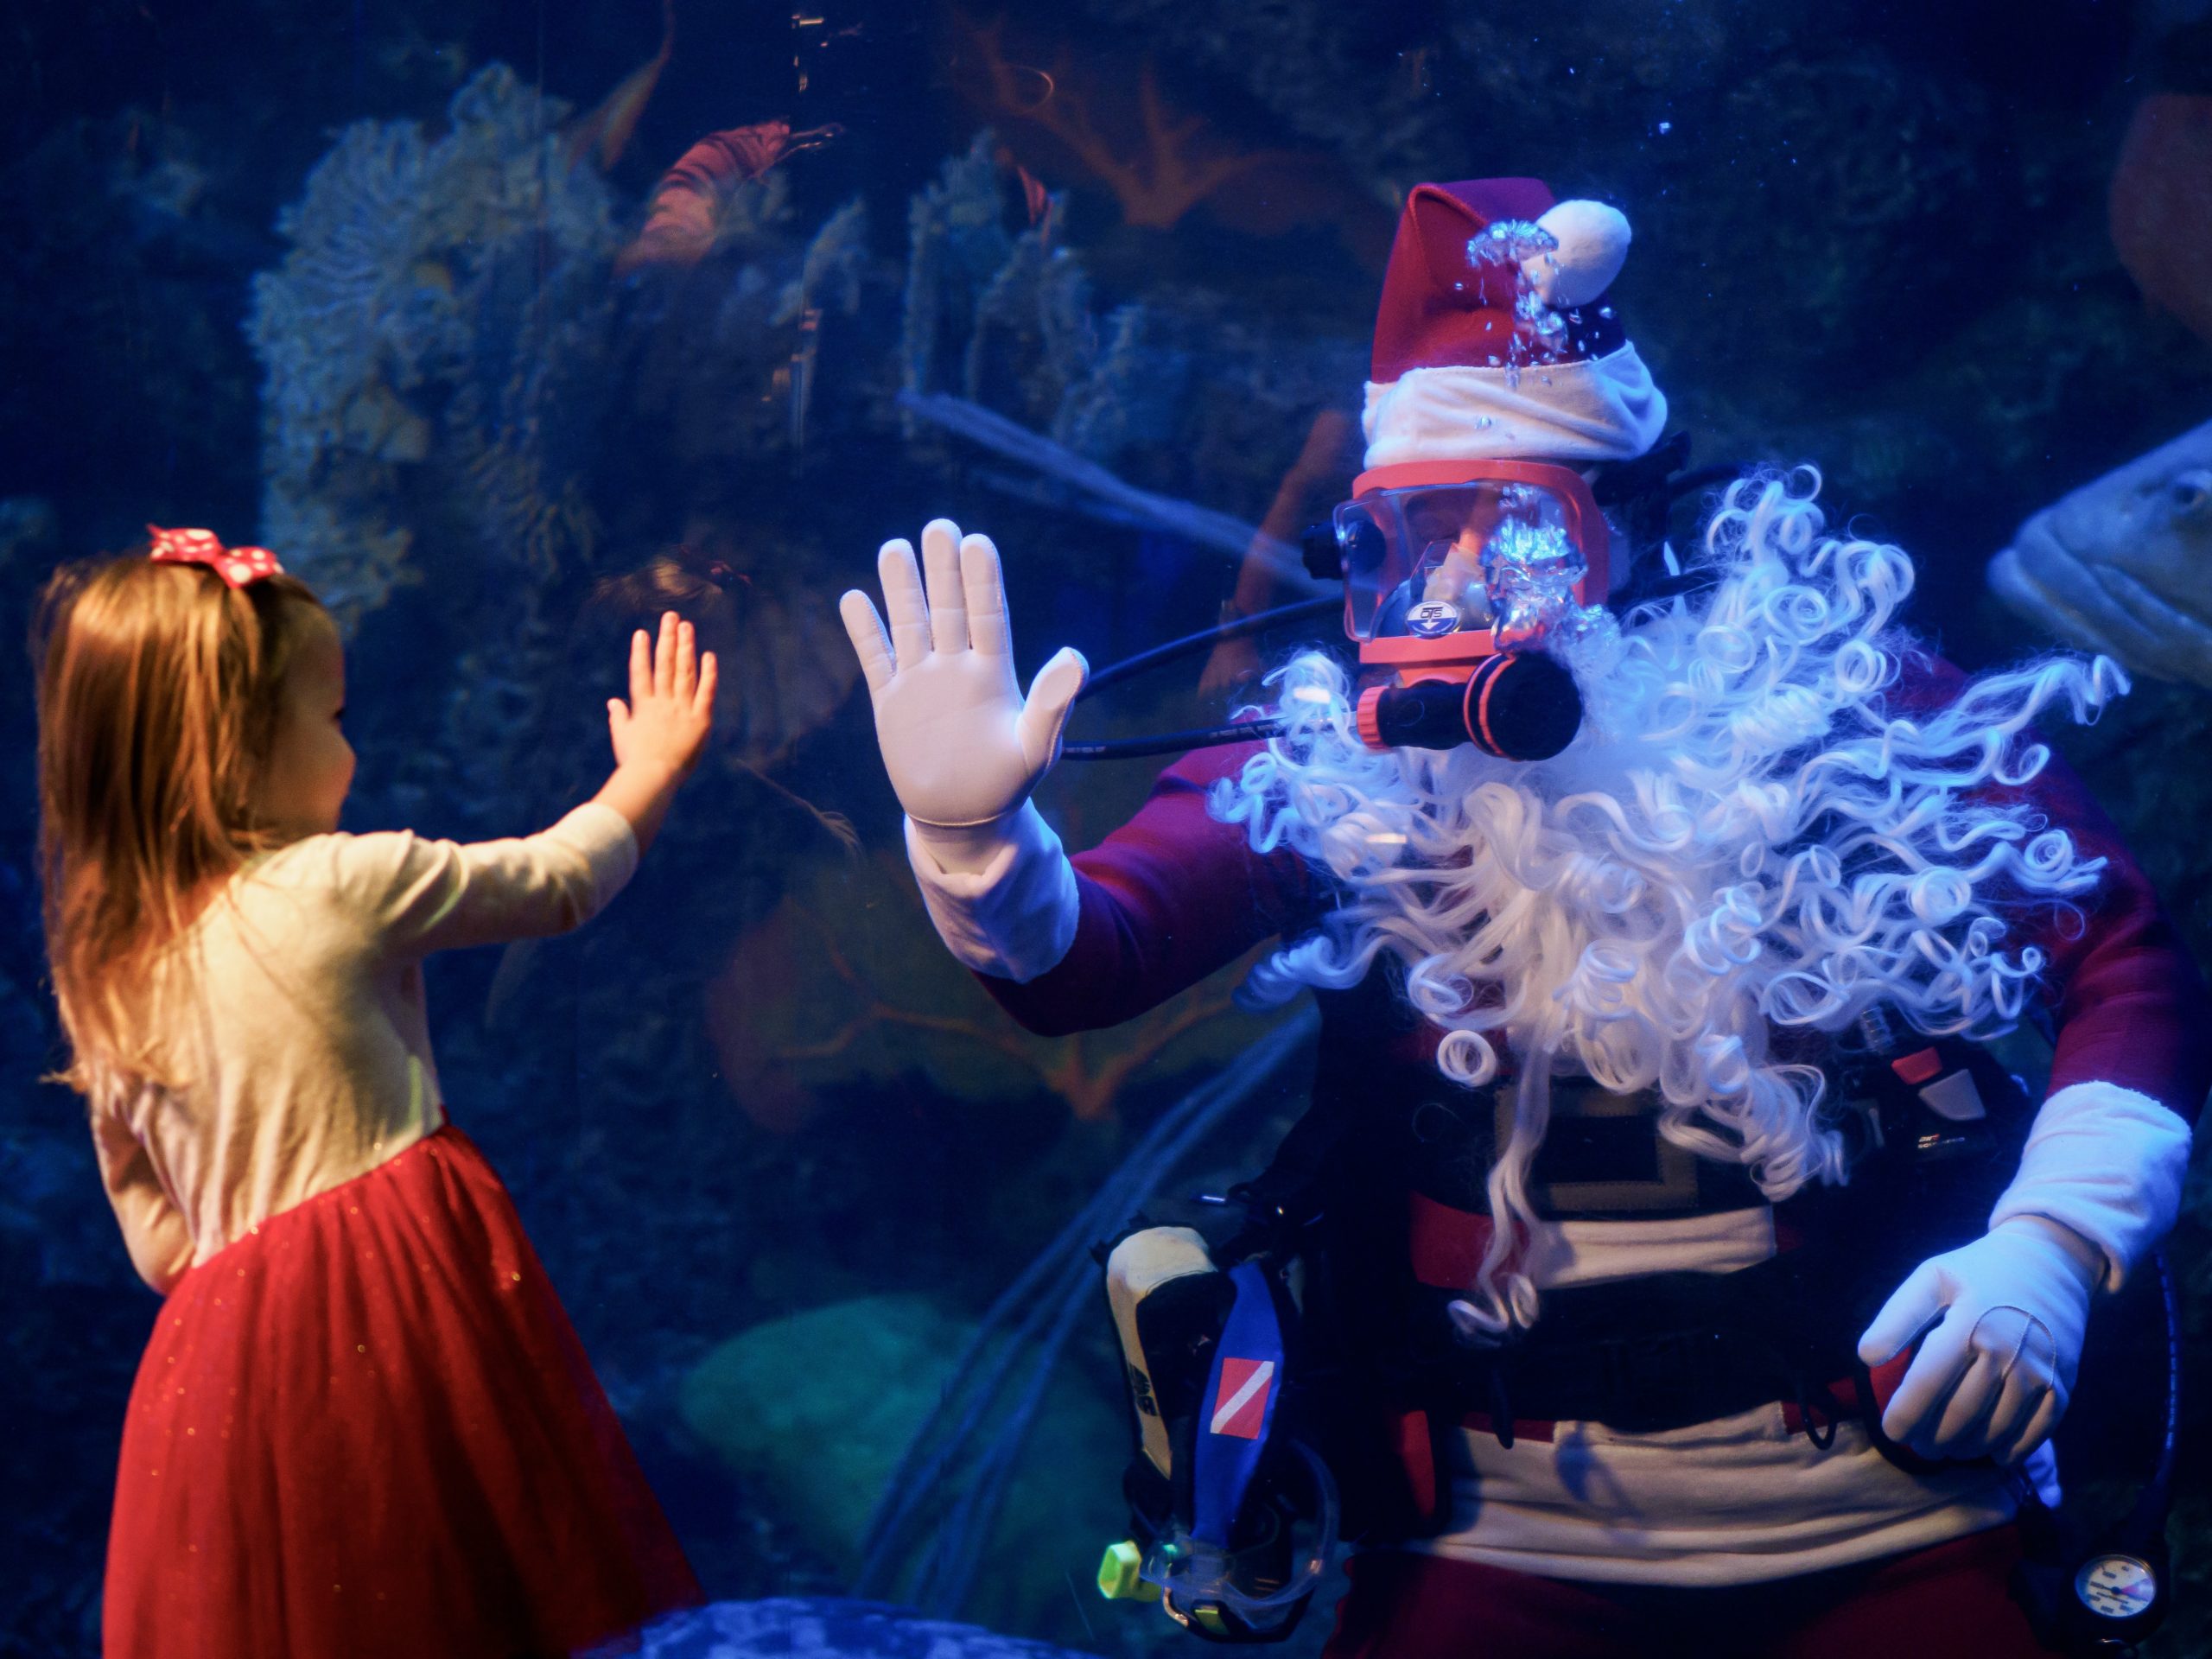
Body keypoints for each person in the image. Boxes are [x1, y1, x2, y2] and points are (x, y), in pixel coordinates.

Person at [840, 180, 2212, 1655]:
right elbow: (1087, 960)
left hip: (1905, 1500)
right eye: (1402, 537)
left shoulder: (1830, 716)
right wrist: (976, 839)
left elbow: (2124, 955)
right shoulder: (1335, 755)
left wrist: (2056, 1247)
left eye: (1509, 529)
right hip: (1493, 1536)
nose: (1450, 585)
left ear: (1627, 525)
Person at [36, 528, 714, 1658]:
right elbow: (553, 882)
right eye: (334, 717)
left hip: (212, 1382)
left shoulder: (105, 984)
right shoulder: (337, 885)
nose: (350, 751)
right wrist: (650, 768)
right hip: (394, 1312)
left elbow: (162, 1250)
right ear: (236, 748)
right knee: (461, 1580)